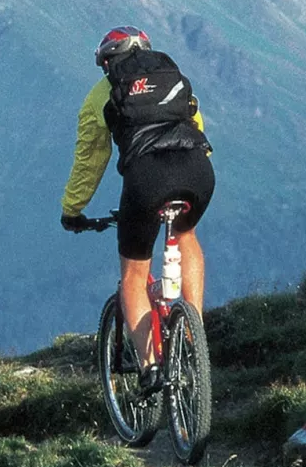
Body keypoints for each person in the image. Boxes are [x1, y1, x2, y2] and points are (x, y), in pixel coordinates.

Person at [60, 26, 214, 393]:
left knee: (133, 274)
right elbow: (197, 126)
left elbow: (90, 160)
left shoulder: (101, 94)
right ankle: (194, 334)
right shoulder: (170, 75)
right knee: (185, 234)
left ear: (107, 62)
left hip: (147, 179)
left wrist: (72, 209)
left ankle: (150, 369)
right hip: (198, 170)